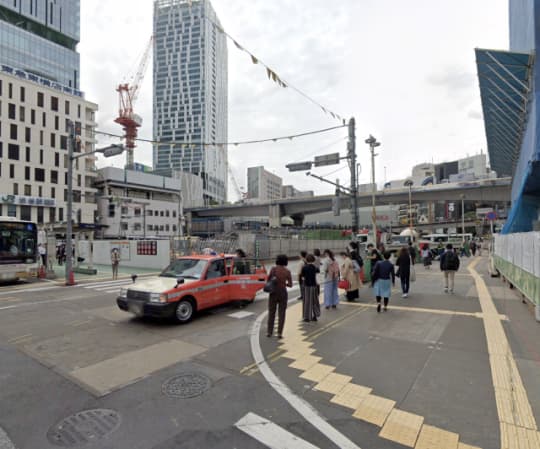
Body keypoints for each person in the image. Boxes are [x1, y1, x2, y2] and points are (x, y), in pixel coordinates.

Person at [267, 254, 293, 338]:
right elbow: (290, 284)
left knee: (271, 312)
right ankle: (279, 333)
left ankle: (269, 332)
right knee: (282, 313)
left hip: (273, 292)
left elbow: (268, 280)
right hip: (283, 292)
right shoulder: (287, 271)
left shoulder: (273, 269)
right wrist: (285, 283)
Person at [300, 254, 320, 322]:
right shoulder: (315, 267)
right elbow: (317, 274)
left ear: (306, 260)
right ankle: (315, 315)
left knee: (307, 301)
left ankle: (307, 317)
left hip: (307, 286)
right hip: (314, 286)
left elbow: (302, 278)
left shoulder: (304, 268)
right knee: (315, 301)